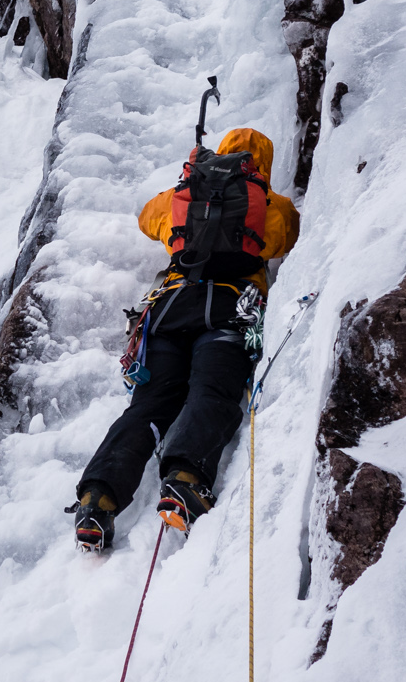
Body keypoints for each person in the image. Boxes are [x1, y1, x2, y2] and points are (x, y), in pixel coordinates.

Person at [70, 127, 299, 553]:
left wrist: (191, 191)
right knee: (210, 393)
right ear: (261, 164)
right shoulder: (270, 206)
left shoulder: (187, 194)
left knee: (148, 408)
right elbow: (286, 237)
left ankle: (96, 499)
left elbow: (147, 217)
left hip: (169, 310)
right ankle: (185, 481)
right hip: (229, 311)